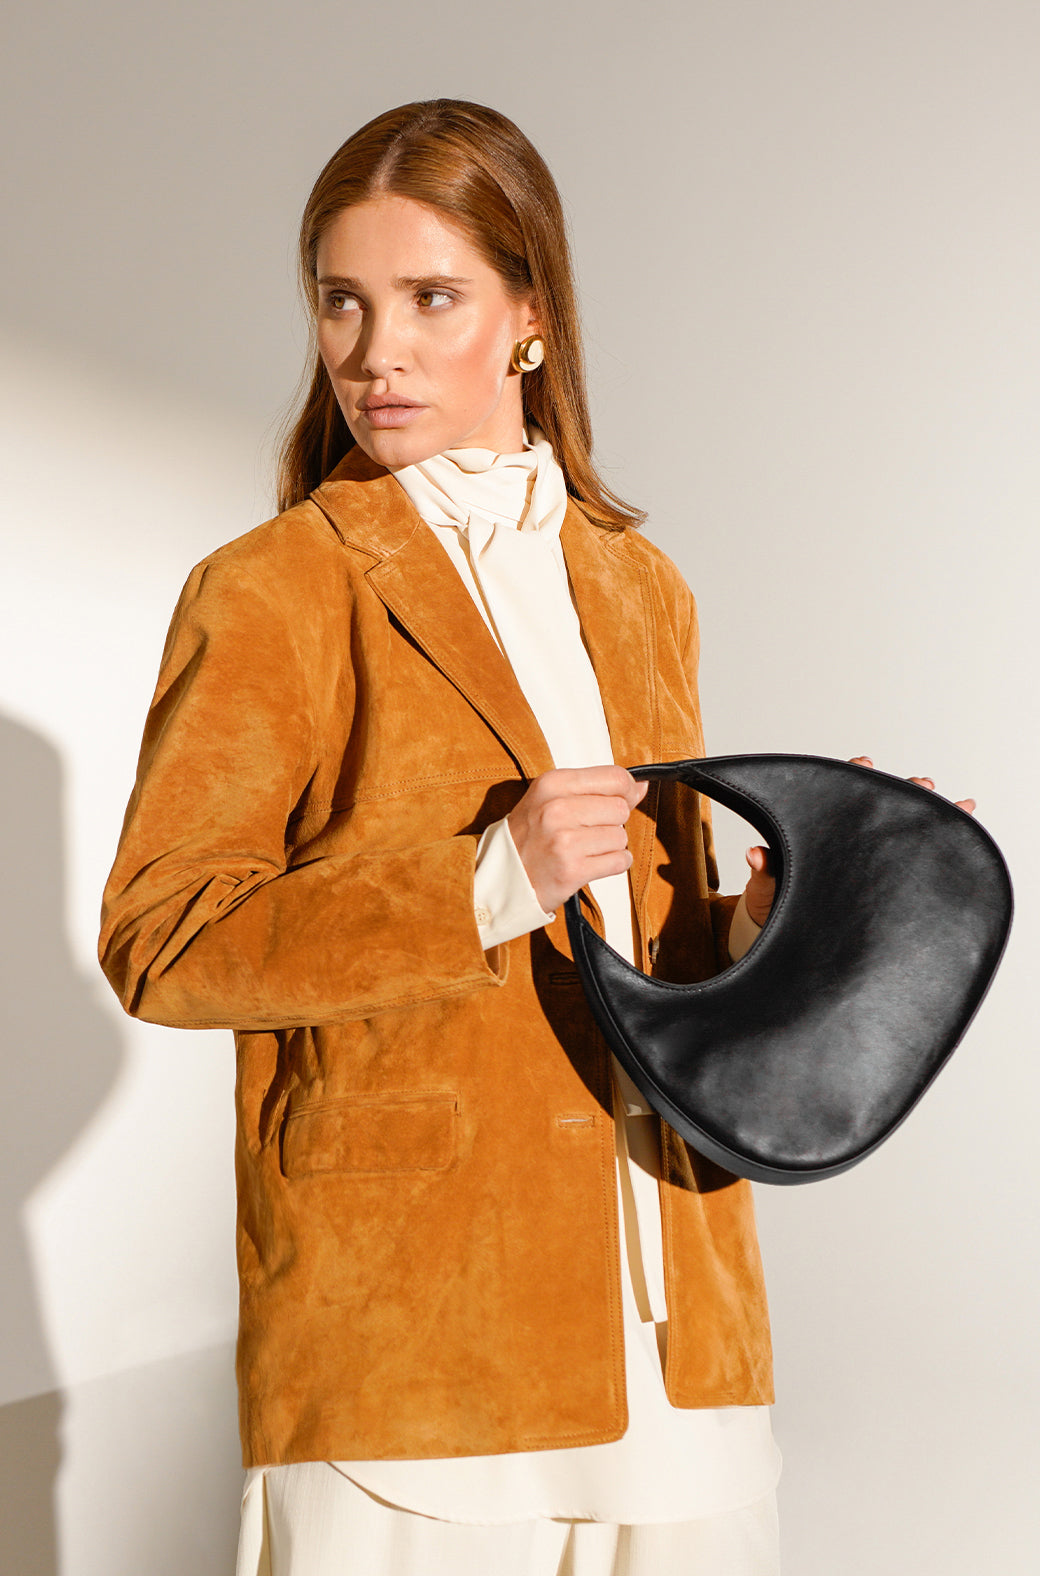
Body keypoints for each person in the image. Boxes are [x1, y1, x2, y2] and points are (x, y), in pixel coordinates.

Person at [98, 99, 971, 1576]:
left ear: (530, 319)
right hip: (413, 1332)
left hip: (677, 1319)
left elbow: (656, 949)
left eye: (430, 298)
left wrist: (770, 922)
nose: (376, 352)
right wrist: (483, 882)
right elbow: (162, 942)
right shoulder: (273, 589)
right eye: (342, 301)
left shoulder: (641, 586)